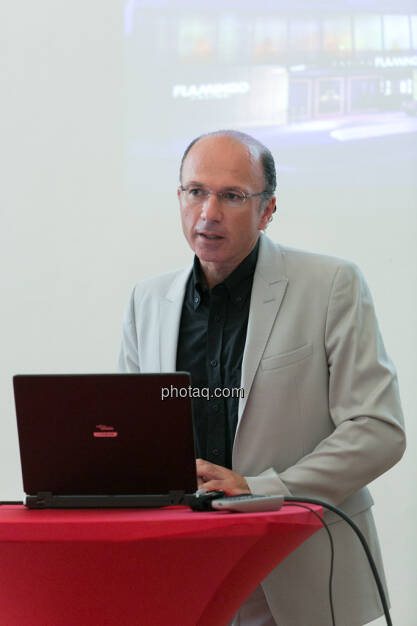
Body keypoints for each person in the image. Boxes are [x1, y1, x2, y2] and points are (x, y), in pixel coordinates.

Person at [118, 130, 405, 625]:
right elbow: (132, 435)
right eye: (195, 191)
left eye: (231, 196)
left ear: (267, 210)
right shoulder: (148, 301)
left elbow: (377, 430)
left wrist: (267, 488)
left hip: (302, 570)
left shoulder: (331, 284)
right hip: (184, 574)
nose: (208, 212)